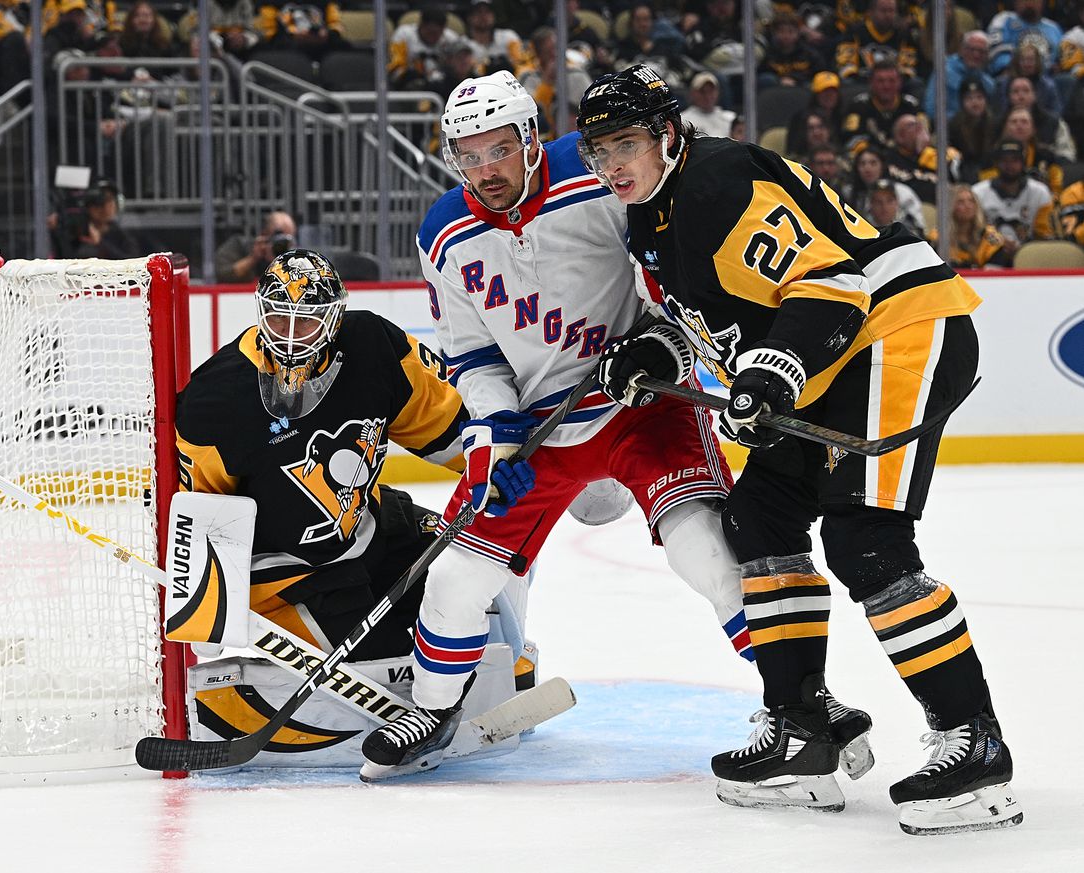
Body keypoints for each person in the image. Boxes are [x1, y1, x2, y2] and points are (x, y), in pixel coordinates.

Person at [359, 69, 873, 782]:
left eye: (499, 149)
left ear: (531, 139)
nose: (486, 170)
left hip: (644, 403)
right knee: (453, 577)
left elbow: (674, 282)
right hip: (543, 422)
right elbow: (473, 353)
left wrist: (661, 343)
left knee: (709, 554)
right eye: (469, 156)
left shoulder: (599, 174)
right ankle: (434, 707)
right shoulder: (443, 231)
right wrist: (494, 439)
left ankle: (801, 703)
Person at [576, 64, 1020, 835]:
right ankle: (802, 729)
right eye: (598, 149)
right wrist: (655, 353)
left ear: (669, 135)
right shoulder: (647, 217)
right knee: (757, 520)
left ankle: (974, 742)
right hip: (827, 366)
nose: (612, 163)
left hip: (895, 332)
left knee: (866, 539)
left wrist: (773, 370)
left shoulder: (716, 183)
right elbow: (708, 321)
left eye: (627, 143)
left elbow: (832, 285)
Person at [174, 250, 489, 730]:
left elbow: (442, 426)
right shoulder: (213, 402)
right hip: (282, 573)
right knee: (387, 657)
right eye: (280, 317)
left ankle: (483, 675)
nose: (291, 334)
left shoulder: (374, 345)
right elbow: (200, 518)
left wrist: (495, 464)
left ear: (335, 315)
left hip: (367, 521)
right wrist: (204, 618)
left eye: (307, 321)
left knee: (474, 561)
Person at [972, 137, 1054, 253]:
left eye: (1015, 160)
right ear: (996, 163)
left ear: (1023, 162)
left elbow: (1045, 235)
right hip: (989, 256)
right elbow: (972, 232)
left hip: (1029, 255)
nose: (1009, 165)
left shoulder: (1040, 192)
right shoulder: (978, 192)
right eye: (1004, 160)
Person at [840, 59, 923, 153]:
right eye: (880, 81)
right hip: (872, 161)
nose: (886, 86)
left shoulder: (911, 105)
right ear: (871, 83)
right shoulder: (858, 106)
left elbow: (925, 136)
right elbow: (851, 139)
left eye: (891, 81)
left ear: (900, 82)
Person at [928, 183, 1013, 268]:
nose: (968, 206)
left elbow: (997, 267)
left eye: (971, 201)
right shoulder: (937, 237)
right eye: (960, 202)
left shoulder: (989, 236)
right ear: (950, 207)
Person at [924, 29, 994, 120]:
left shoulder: (989, 84)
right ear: (962, 49)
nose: (976, 55)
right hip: (949, 128)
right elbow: (932, 109)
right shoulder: (943, 71)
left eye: (981, 51)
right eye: (971, 49)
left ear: (987, 55)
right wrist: (961, 121)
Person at [215, 211, 298, 283]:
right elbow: (223, 275)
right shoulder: (240, 246)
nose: (283, 245)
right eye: (279, 239)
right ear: (264, 234)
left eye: (288, 240)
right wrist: (253, 258)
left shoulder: (296, 257)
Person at [680, 70, 735, 138]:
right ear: (692, 93)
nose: (707, 96)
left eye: (711, 91)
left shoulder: (731, 119)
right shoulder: (683, 121)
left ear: (718, 93)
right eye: (702, 91)